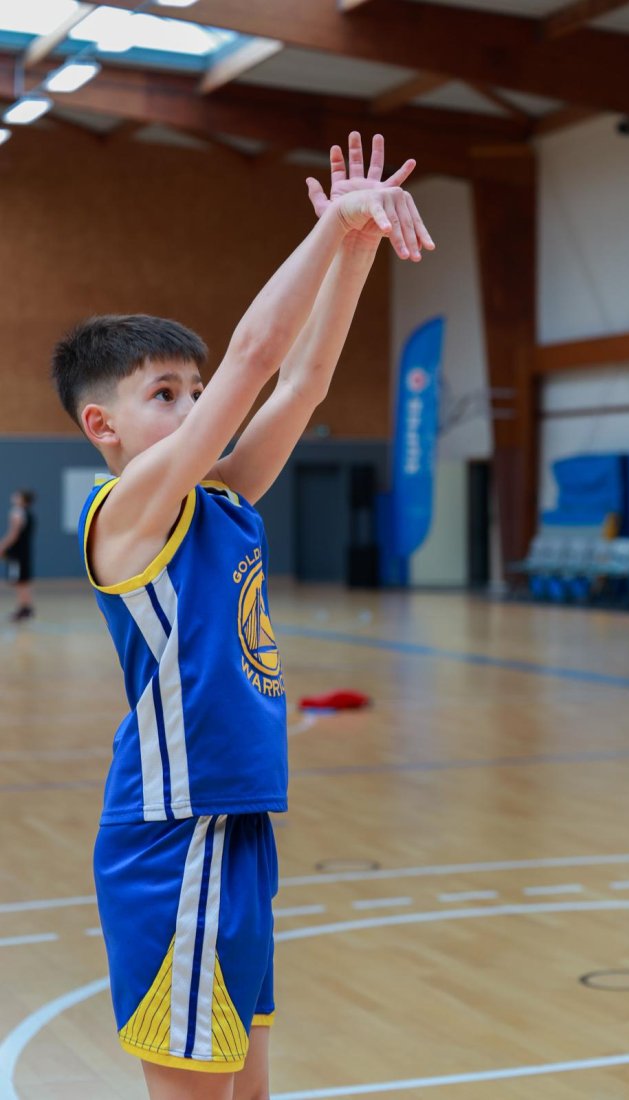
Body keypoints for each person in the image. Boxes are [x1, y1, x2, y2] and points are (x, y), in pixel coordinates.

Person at [51, 132, 434, 1100]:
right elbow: (257, 357)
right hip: (173, 834)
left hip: (238, 825)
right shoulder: (126, 514)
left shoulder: (219, 497)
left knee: (249, 1089)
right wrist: (331, 224)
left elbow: (300, 380)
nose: (195, 406)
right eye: (166, 394)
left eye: (196, 388)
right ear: (102, 426)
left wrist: (355, 251)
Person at [0, 489, 36, 621]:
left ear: (22, 499)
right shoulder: (29, 514)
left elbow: (13, 534)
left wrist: (2, 546)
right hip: (25, 551)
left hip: (17, 553)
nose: (14, 496)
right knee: (23, 581)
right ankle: (26, 608)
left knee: (20, 581)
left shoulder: (17, 512)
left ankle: (24, 609)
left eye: (17, 495)